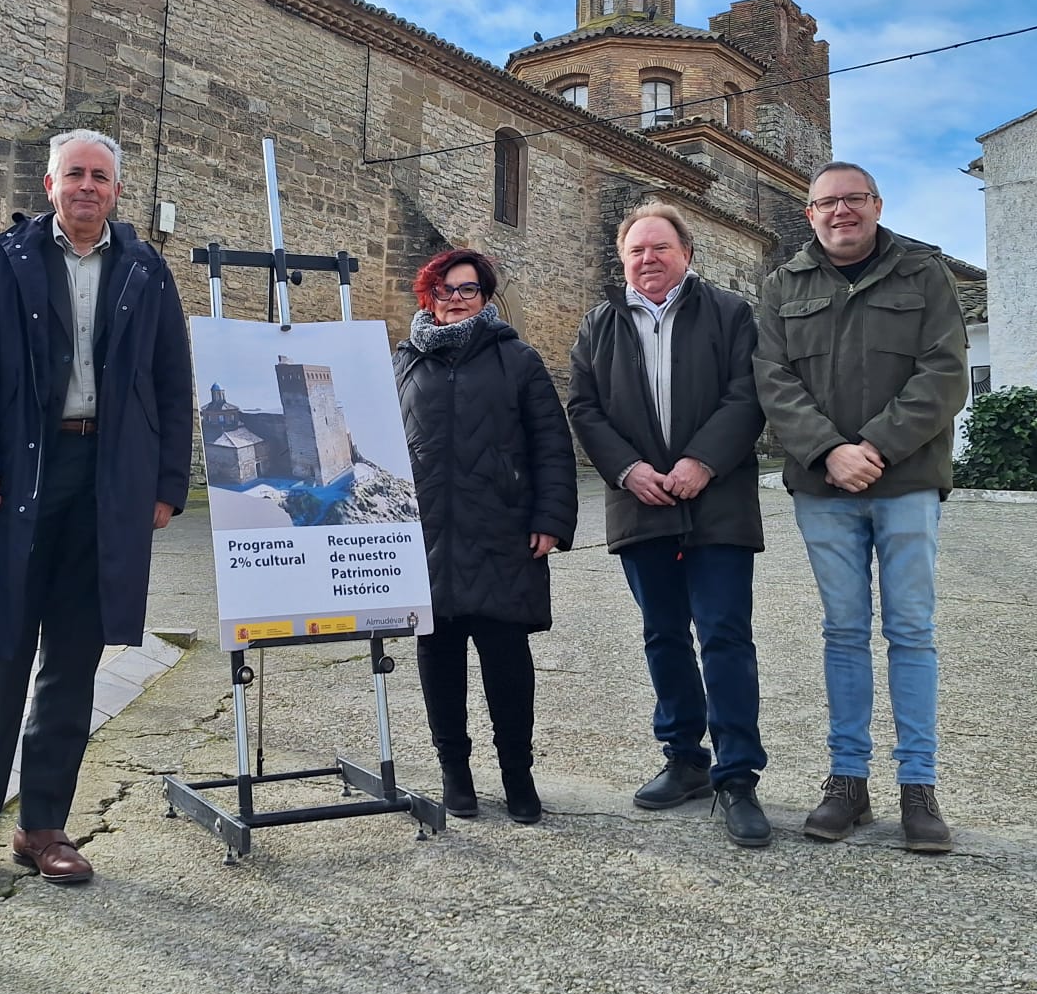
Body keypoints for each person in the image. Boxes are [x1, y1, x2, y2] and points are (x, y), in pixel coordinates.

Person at [0, 129, 192, 893]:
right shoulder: (0, 262)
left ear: (117, 190)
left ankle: (43, 827)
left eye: (101, 175)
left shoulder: (145, 270)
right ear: (50, 183)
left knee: (74, 656)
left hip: (107, 476)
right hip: (19, 470)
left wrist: (167, 484)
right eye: (75, 174)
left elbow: (171, 381)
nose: (88, 186)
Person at [753, 162, 968, 853]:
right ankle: (848, 780)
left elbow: (944, 372)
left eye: (853, 200)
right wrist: (828, 451)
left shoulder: (924, 274)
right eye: (826, 203)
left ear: (876, 204)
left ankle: (919, 788)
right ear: (809, 214)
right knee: (843, 632)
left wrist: (872, 446)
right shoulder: (783, 286)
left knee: (911, 630)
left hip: (905, 481)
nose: (840, 212)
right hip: (823, 487)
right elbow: (773, 380)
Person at [567, 203, 771, 847]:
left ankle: (737, 777)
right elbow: (585, 406)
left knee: (725, 636)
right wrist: (629, 470)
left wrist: (701, 461)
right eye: (636, 251)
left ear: (687, 253)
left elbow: (749, 394)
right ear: (622, 260)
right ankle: (684, 758)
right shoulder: (600, 324)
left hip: (717, 500)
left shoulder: (731, 314)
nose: (647, 259)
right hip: (642, 501)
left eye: (660, 247)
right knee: (662, 635)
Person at [394, 248, 577, 825]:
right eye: (444, 289)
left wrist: (551, 519)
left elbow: (551, 442)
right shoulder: (403, 360)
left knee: (506, 659)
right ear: (429, 295)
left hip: (500, 529)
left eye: (467, 289)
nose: (455, 299)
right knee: (438, 656)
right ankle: (456, 774)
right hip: (425, 535)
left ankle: (518, 777)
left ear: (486, 297)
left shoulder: (517, 358)